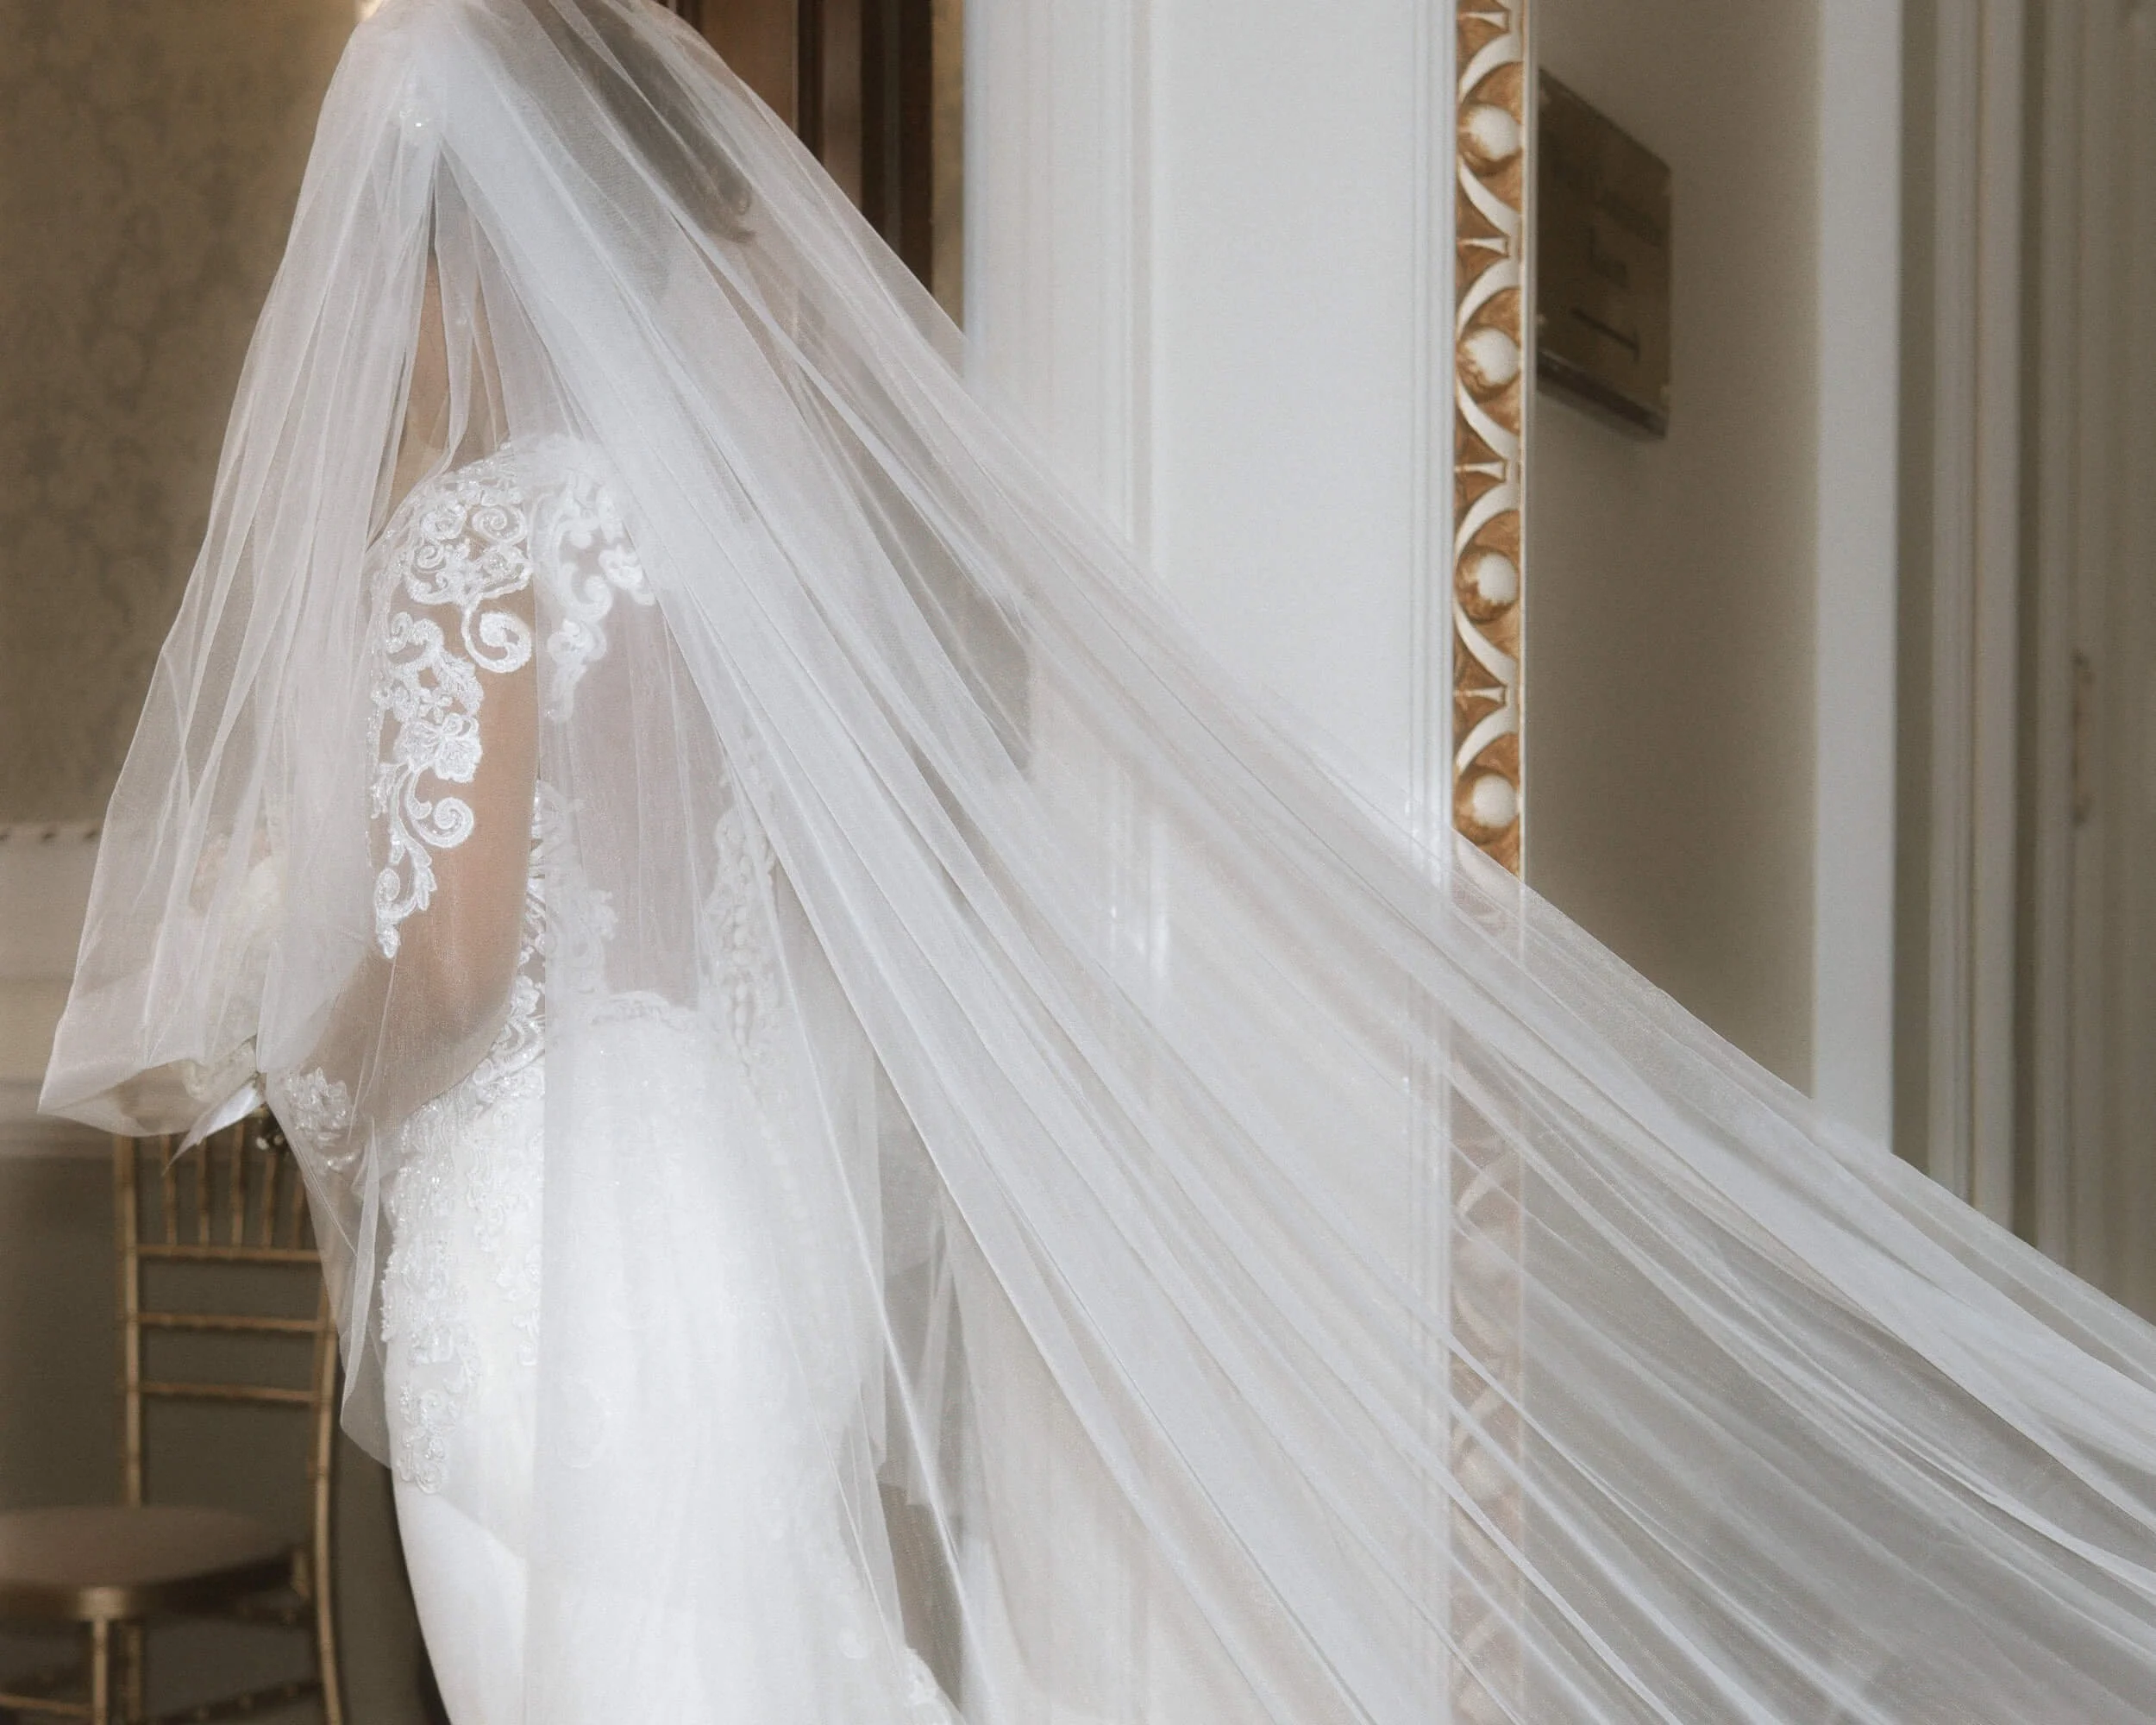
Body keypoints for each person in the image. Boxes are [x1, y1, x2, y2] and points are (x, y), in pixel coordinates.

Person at [41, 1, 2156, 1718]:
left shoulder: (470, 542)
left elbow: (458, 963)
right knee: (763, 1650)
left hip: (556, 1252)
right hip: (736, 1210)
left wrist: (274, 1026)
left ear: (444, 247)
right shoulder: (730, 546)